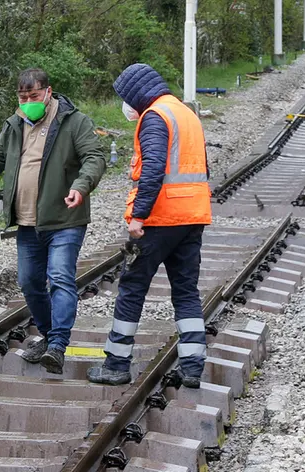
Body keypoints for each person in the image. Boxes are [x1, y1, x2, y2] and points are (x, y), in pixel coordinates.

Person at [0, 68, 106, 374]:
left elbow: (94, 158)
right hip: (28, 223)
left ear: (48, 92)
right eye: (22, 97)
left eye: (33, 96)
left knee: (59, 277)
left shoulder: (73, 122)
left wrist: (80, 186)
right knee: (30, 282)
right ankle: (48, 337)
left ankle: (58, 345)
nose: (28, 102)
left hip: (64, 219)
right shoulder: (15, 124)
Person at [87, 64, 212, 387]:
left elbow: (155, 168)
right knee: (186, 291)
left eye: (126, 98)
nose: (126, 106)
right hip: (192, 216)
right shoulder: (185, 113)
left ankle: (116, 365)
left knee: (132, 288)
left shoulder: (155, 116)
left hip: (160, 218)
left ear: (137, 95)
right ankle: (193, 367)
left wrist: (138, 216)